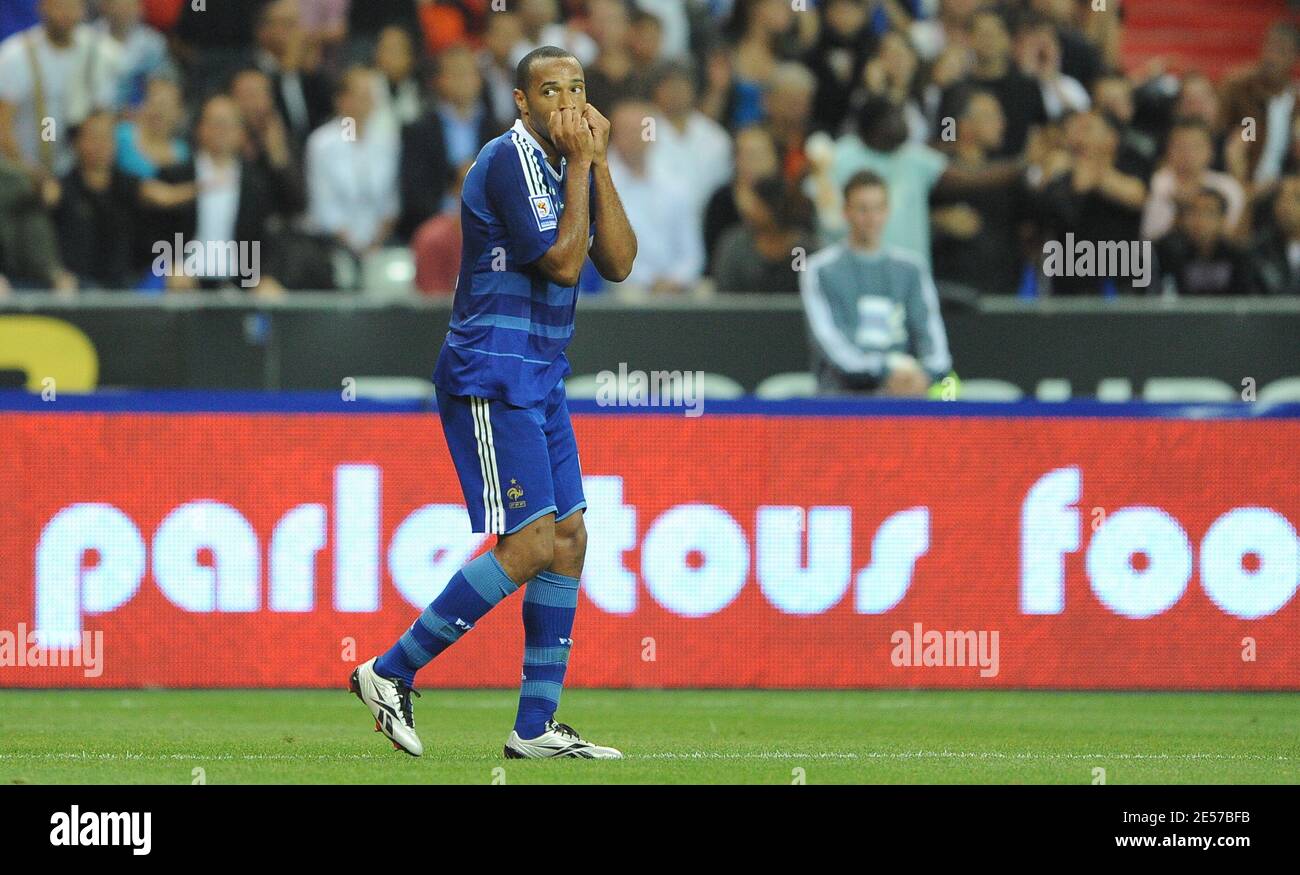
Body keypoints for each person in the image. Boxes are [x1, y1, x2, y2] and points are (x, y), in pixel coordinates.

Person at [350, 45, 637, 760]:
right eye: (549, 90)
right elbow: (566, 260)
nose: (565, 101)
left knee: (569, 539)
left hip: (542, 372)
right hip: (491, 371)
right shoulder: (508, 160)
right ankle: (388, 671)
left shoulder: (571, 163)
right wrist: (581, 164)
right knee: (530, 542)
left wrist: (597, 163)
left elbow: (621, 262)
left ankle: (535, 725)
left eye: (575, 87)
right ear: (520, 101)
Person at [800, 170, 952, 397]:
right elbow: (830, 342)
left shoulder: (912, 268)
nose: (871, 218)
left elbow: (933, 340)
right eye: (862, 209)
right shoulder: (820, 269)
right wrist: (885, 371)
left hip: (905, 397)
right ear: (846, 212)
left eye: (878, 208)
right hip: (842, 401)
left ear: (888, 211)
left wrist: (925, 374)